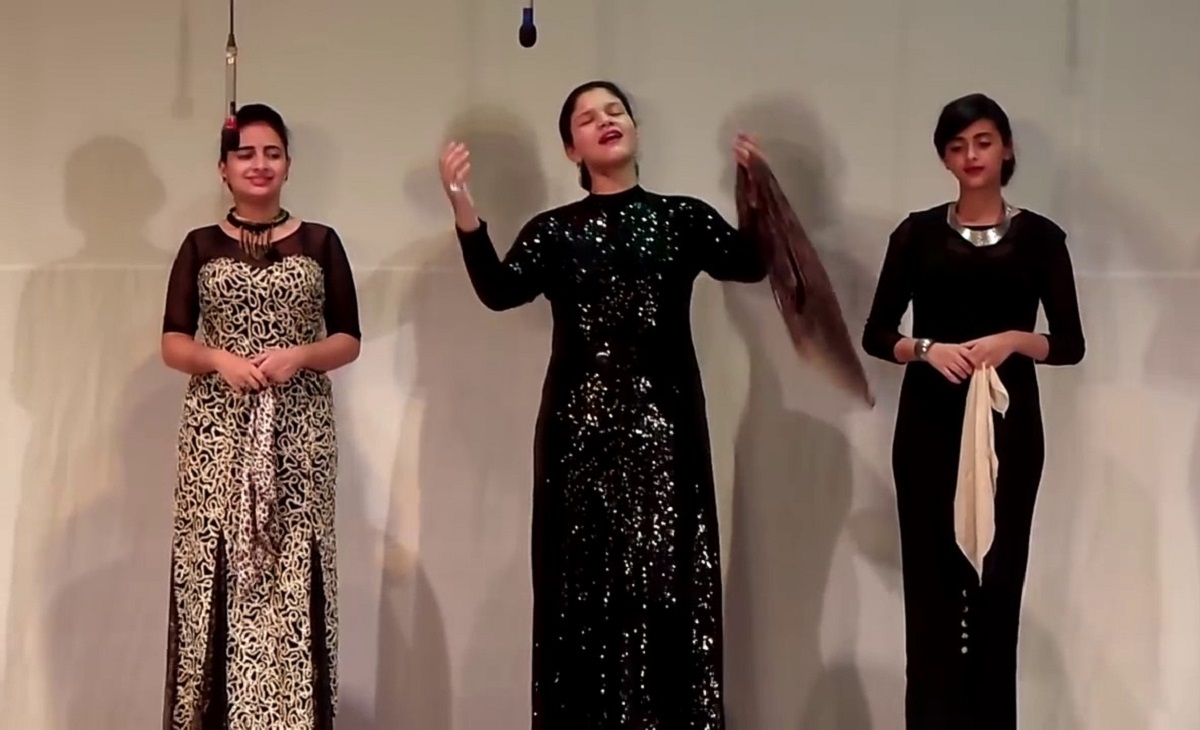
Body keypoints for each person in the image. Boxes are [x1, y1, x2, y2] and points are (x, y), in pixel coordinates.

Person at [438, 80, 769, 728]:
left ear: (634, 128)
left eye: (614, 111)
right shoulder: (554, 231)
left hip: (666, 433)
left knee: (666, 586)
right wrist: (463, 207)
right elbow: (500, 291)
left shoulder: (683, 218)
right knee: (581, 593)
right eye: (587, 119)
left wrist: (754, 190)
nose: (605, 121)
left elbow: (751, 262)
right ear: (572, 149)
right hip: (577, 437)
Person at [862, 93, 1085, 728]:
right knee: (931, 593)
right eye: (957, 146)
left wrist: (1014, 339)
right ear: (944, 158)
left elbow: (1069, 344)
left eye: (983, 142)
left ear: (1006, 148)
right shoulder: (915, 234)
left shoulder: (1041, 239)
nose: (971, 155)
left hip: (1009, 432)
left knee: (997, 590)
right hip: (929, 426)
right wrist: (925, 349)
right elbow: (877, 333)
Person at [159, 103, 361, 729]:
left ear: (289, 165)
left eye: (272, 153)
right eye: (245, 153)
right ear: (223, 168)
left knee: (295, 566)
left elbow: (348, 339)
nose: (259, 163)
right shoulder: (199, 245)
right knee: (216, 567)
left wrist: (300, 355)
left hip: (299, 434)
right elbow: (173, 343)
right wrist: (217, 359)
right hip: (217, 432)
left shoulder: (321, 242)